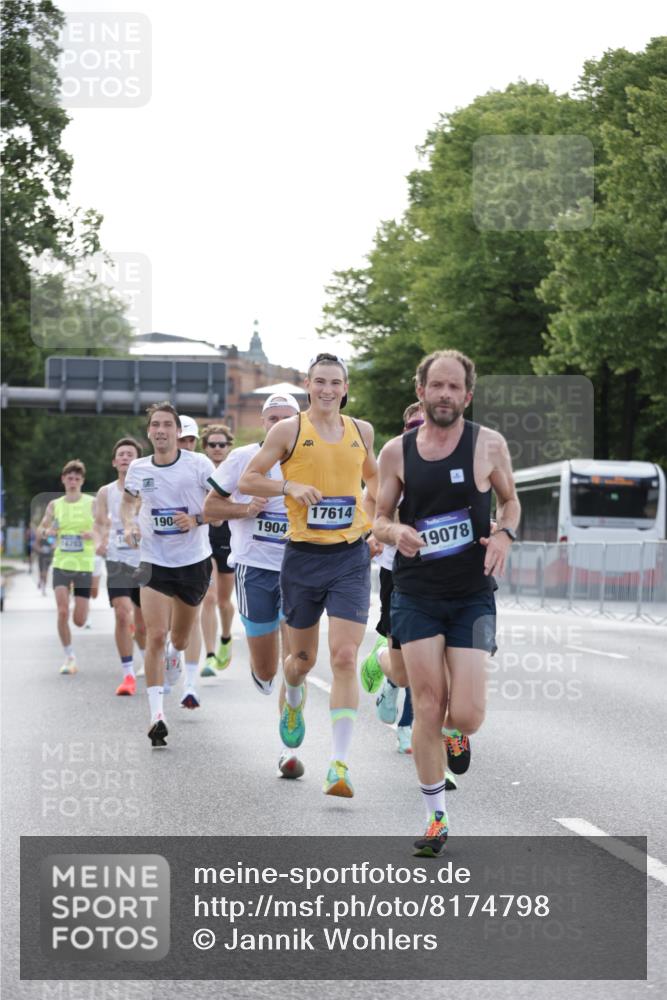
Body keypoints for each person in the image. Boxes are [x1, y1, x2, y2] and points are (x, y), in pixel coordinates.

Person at [373, 349, 520, 856]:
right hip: (416, 594)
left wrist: (503, 534)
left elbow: (510, 501)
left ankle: (458, 731)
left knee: (468, 714)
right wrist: (395, 532)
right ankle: (436, 817)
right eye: (436, 385)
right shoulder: (396, 452)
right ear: (421, 391)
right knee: (428, 705)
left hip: (472, 595)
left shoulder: (489, 445)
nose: (444, 394)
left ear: (467, 395)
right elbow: (378, 517)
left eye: (454, 387)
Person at [239, 353, 380, 798]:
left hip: (350, 557)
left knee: (345, 657)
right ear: (308, 384)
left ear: (345, 387)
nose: (327, 389)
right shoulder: (288, 430)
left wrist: (375, 522)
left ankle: (339, 764)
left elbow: (376, 482)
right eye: (320, 381)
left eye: (335, 382)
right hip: (302, 557)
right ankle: (294, 698)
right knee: (301, 661)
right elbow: (248, 479)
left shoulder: (362, 431)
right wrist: (288, 486)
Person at [204, 392, 304, 779]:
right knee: (266, 670)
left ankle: (288, 744)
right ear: (263, 423)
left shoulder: (311, 456)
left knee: (297, 659)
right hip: (255, 569)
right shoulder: (243, 458)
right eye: (272, 418)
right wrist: (245, 509)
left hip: (300, 570)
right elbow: (210, 508)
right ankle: (263, 674)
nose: (279, 424)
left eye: (287, 418)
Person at [121, 402, 216, 748]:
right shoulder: (138, 468)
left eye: (167, 425)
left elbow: (221, 505)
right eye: (155, 425)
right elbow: (128, 503)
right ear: (149, 432)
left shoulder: (199, 464)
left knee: (180, 639)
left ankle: (177, 655)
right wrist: (130, 524)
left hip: (193, 561)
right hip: (154, 561)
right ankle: (157, 715)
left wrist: (197, 519)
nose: (161, 430)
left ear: (177, 431)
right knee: (156, 635)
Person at [94, 437, 147, 696]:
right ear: (114, 462)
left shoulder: (148, 487)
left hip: (146, 560)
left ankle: (150, 660)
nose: (125, 457)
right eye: (121, 454)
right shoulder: (106, 492)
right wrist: (99, 542)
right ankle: (128, 674)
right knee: (122, 613)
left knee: (144, 622)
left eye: (130, 454)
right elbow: (99, 523)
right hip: (117, 560)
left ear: (138, 461)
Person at [37, 459, 96, 674]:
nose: (73, 481)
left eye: (77, 478)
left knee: (79, 620)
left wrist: (93, 534)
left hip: (84, 565)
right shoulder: (55, 505)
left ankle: (82, 611)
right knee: (62, 611)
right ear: (63, 479)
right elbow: (41, 529)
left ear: (82, 481)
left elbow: (104, 528)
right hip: (61, 563)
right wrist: (48, 532)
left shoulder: (92, 503)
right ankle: (69, 656)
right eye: (69, 478)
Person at [199, 423, 236, 676]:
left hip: (229, 539)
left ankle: (226, 638)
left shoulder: (236, 469)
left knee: (224, 601)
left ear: (228, 447)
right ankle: (210, 656)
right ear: (205, 447)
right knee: (209, 598)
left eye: (222, 444)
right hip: (204, 539)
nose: (217, 448)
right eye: (212, 444)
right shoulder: (199, 471)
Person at [36, 529, 56, 595]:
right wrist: (40, 549)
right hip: (41, 557)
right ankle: (40, 581)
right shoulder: (41, 539)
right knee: (41, 573)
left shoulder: (50, 539)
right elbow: (36, 546)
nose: (49, 534)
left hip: (48, 558)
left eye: (49, 533)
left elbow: (53, 546)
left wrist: (52, 548)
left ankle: (43, 589)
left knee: (46, 573)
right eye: (47, 533)